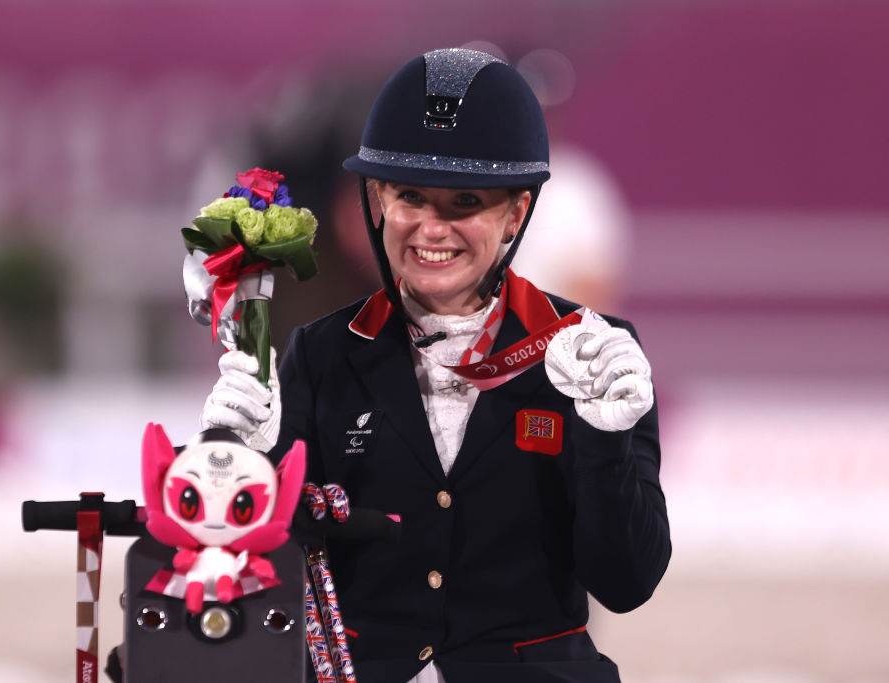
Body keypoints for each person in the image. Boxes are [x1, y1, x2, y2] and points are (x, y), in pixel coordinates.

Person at [193, 48, 671, 683]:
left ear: (515, 215)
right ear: (376, 201)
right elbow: (253, 583)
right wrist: (233, 462)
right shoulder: (318, 353)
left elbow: (627, 582)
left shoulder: (590, 355)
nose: (431, 229)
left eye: (465, 201)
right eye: (411, 195)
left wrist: (607, 441)